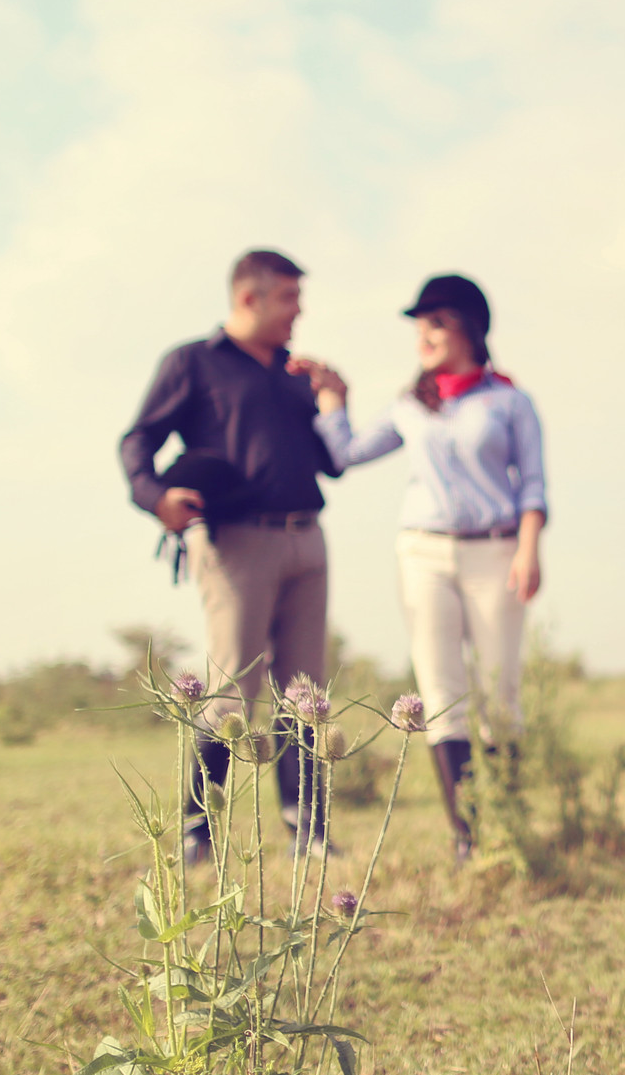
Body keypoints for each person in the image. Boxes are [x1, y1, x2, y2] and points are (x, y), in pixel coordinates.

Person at [307, 274, 546, 862]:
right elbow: (346, 454)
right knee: (441, 693)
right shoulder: (412, 404)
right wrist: (334, 401)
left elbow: (533, 483)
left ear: (469, 326)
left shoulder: (510, 401)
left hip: (495, 551)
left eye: (436, 322)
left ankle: (504, 822)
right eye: (420, 324)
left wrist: (529, 548)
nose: (425, 334)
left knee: (500, 691)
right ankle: (467, 835)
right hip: (423, 553)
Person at [119, 248, 340, 860]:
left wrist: (332, 400)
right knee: (233, 687)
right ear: (251, 297)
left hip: (308, 537)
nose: (300, 312)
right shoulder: (193, 363)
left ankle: (309, 834)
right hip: (236, 542)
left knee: (305, 691)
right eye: (290, 298)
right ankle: (200, 831)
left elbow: (328, 461)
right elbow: (138, 439)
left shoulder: (294, 375)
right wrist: (156, 498)